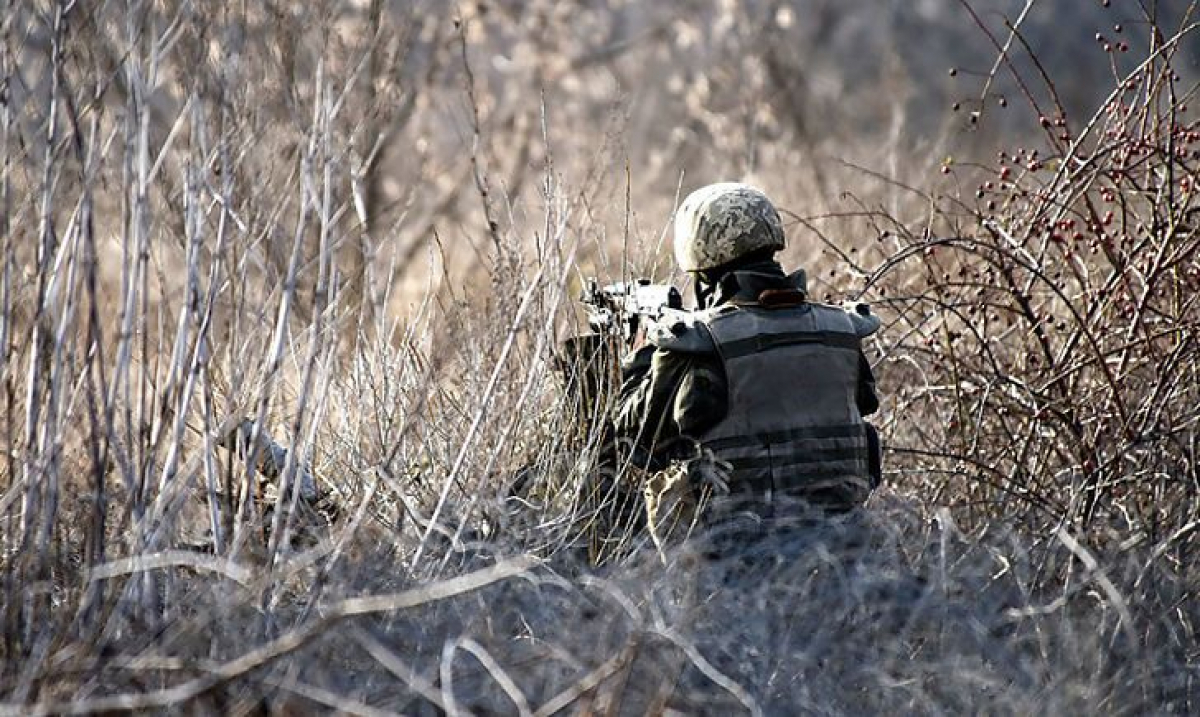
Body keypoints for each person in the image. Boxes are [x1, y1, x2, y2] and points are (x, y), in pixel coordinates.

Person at [608, 182, 882, 547]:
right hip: (847, 546)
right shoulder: (841, 329)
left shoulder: (698, 343)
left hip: (733, 564)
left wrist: (644, 354)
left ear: (701, 268)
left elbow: (635, 440)